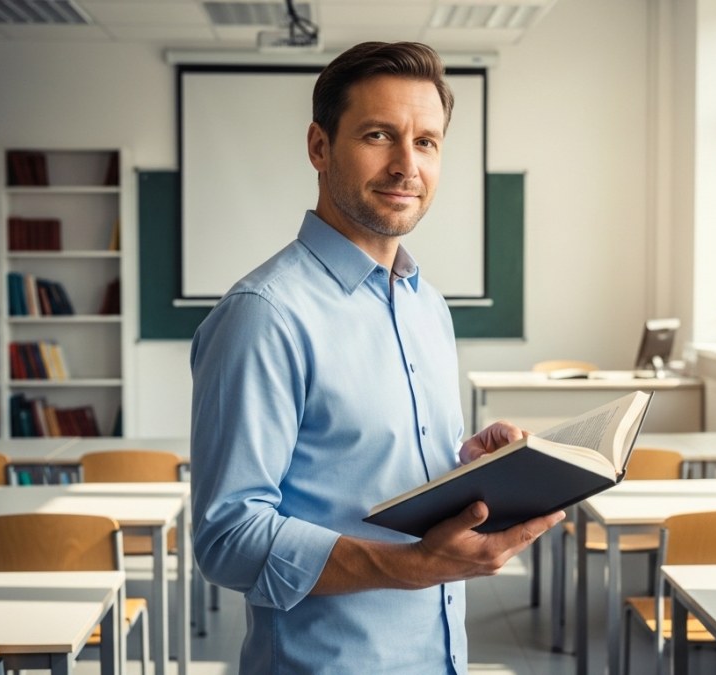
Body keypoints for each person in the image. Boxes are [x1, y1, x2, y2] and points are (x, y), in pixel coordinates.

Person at [189, 41, 564, 674]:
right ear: (319, 146)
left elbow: (371, 463)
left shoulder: (428, 306)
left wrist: (469, 467)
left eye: (426, 142)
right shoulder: (264, 314)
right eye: (378, 135)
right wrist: (411, 567)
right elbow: (228, 537)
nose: (406, 166)